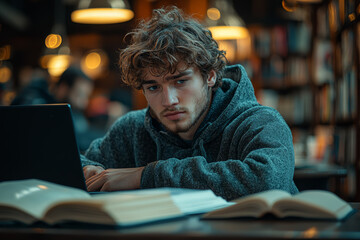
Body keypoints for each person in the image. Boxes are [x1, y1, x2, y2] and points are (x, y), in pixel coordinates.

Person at [81, 6, 298, 201]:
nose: (169, 100)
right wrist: (88, 170)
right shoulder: (132, 130)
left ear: (210, 76)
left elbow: (268, 180)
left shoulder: (261, 122)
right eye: (153, 87)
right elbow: (78, 162)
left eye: (180, 81)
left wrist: (146, 176)